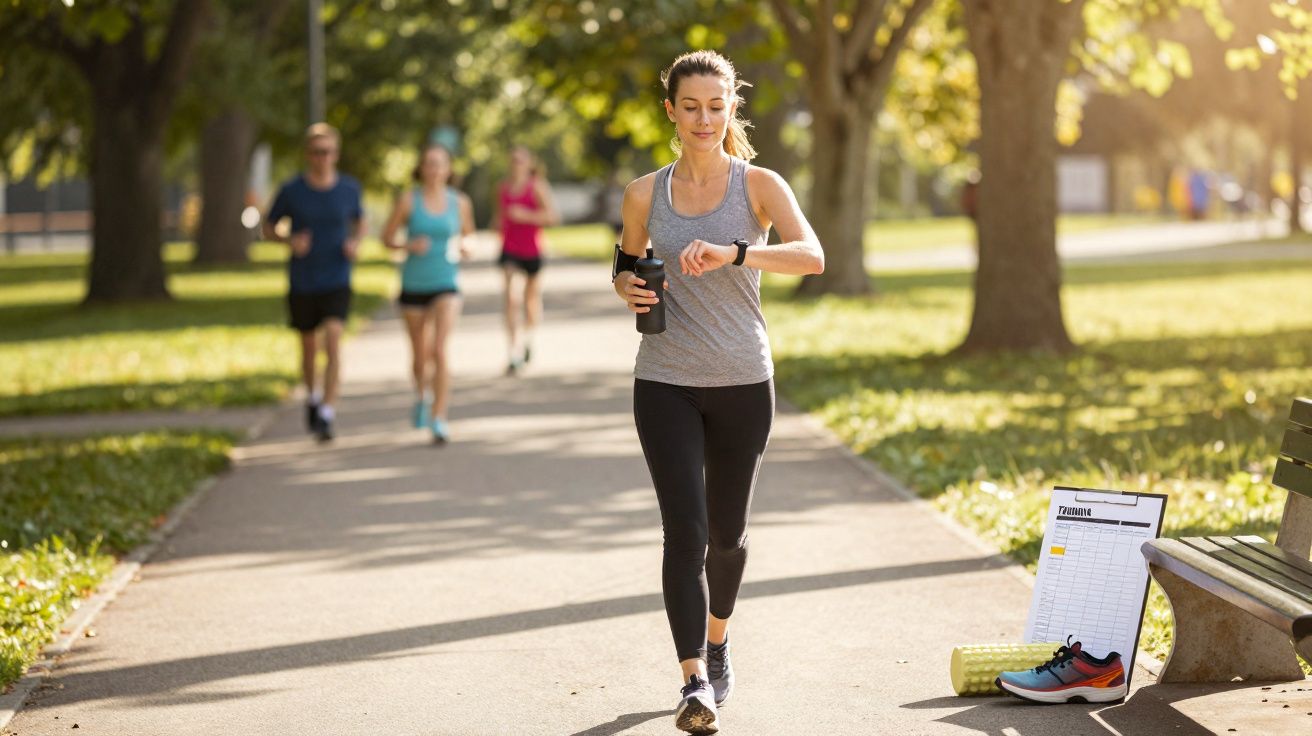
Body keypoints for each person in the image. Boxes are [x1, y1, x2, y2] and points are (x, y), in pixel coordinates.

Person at [611, 50, 824, 734]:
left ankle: (720, 639)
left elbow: (812, 256)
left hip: (742, 381)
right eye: (691, 106)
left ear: (732, 106)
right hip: (665, 381)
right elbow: (626, 259)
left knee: (727, 536)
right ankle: (694, 679)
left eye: (716, 105)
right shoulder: (644, 192)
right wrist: (625, 283)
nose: (704, 118)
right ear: (670, 110)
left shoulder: (758, 185)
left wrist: (737, 252)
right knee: (686, 531)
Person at [262, 123, 364, 442]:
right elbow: (268, 227)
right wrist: (289, 240)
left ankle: (328, 413)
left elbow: (360, 221)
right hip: (303, 279)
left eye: (329, 152)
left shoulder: (349, 188)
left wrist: (355, 242)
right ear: (308, 155)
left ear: (336, 154)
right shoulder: (293, 190)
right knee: (308, 348)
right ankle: (312, 396)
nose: (324, 158)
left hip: (337, 276)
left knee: (333, 340)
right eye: (318, 152)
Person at [380, 143, 473, 444]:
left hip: (446, 281)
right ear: (421, 169)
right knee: (420, 355)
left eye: (439, 163)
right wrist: (407, 246)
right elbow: (386, 238)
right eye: (429, 164)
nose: (434, 169)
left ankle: (439, 416)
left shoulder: (459, 202)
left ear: (448, 169)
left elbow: (468, 234)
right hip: (413, 285)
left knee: (440, 350)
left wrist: (466, 247)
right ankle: (422, 395)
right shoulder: (409, 200)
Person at [492, 146, 558, 375]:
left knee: (531, 301)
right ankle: (513, 352)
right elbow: (500, 216)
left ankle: (528, 338)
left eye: (521, 160)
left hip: (532, 251)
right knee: (511, 299)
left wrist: (526, 215)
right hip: (510, 250)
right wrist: (498, 225)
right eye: (513, 160)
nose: (516, 164)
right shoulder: (503, 188)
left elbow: (552, 217)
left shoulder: (536, 187)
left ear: (529, 163)